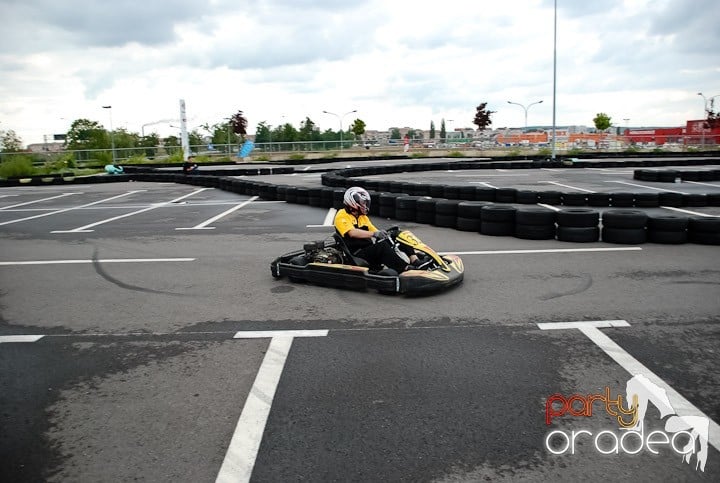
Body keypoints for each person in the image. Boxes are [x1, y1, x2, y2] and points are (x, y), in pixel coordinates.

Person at [334, 186, 420, 273]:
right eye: (363, 203)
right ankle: (404, 268)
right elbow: (352, 233)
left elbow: (375, 231)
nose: (365, 205)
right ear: (353, 202)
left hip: (368, 250)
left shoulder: (362, 217)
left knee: (396, 236)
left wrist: (389, 234)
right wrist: (374, 234)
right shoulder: (342, 215)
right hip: (356, 254)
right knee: (381, 247)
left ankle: (415, 260)